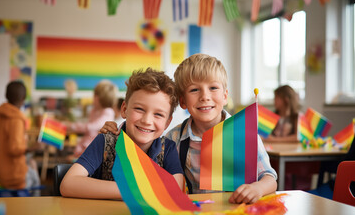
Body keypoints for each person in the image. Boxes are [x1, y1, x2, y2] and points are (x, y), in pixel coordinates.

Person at [100, 54, 277, 204]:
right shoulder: (174, 138)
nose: (205, 97)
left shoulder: (245, 134)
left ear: (225, 96)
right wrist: (117, 131)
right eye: (194, 90)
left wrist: (258, 188)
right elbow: (143, 151)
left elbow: (269, 177)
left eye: (213, 88)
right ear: (182, 101)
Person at [60, 68, 184, 199]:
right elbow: (68, 184)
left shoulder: (168, 149)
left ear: (167, 122)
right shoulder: (104, 141)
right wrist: (133, 190)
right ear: (124, 110)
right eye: (139, 109)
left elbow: (176, 191)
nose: (147, 121)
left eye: (158, 114)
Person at [0, 81, 41, 196]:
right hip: (12, 176)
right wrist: (33, 148)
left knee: (32, 163)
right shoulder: (16, 119)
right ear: (23, 98)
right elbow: (15, 149)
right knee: (35, 179)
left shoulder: (0, 115)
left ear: (6, 96)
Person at [68, 80, 117, 158]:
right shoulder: (94, 110)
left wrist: (74, 126)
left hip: (96, 147)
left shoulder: (108, 112)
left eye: (94, 96)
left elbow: (92, 126)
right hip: (86, 144)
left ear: (98, 98)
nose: (93, 98)